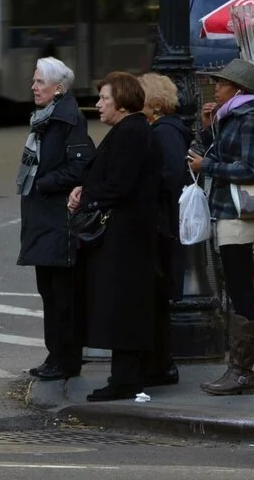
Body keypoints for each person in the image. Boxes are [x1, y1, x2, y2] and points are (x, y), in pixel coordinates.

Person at [67, 72, 162, 402]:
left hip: (126, 237)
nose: (99, 104)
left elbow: (120, 184)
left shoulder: (132, 133)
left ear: (121, 101)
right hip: (128, 234)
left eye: (104, 98)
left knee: (122, 306)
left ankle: (125, 379)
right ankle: (128, 376)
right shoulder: (131, 129)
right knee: (121, 305)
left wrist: (87, 195)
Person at [187, 58, 254, 397]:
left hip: (240, 217)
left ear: (237, 89)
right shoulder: (228, 117)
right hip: (226, 213)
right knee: (233, 290)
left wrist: (207, 165)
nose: (216, 88)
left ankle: (241, 372)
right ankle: (236, 369)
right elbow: (202, 146)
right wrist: (208, 125)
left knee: (239, 292)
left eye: (220, 84)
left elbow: (250, 169)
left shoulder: (250, 119)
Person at [16, 57, 94, 382]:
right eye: (34, 81)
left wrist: (44, 184)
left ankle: (64, 359)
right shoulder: (44, 119)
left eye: (39, 83)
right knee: (48, 290)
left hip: (58, 219)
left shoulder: (68, 119)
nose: (33, 87)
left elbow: (79, 167)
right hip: (42, 217)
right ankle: (56, 355)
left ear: (58, 88)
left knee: (61, 293)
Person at [138, 72, 191, 387]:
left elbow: (170, 178)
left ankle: (161, 365)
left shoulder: (163, 133)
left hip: (164, 227)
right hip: (167, 225)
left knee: (156, 301)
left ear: (152, 103)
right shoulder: (165, 130)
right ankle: (160, 364)